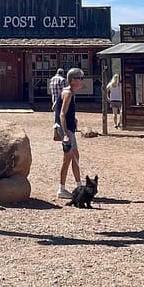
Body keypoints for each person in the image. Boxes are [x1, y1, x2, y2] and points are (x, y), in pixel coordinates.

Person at [57, 67, 85, 198]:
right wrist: (66, 133)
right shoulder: (68, 93)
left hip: (69, 128)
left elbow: (56, 108)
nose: (82, 81)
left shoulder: (68, 92)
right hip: (67, 130)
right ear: (73, 80)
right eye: (80, 78)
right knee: (67, 159)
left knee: (75, 156)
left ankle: (79, 186)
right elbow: (62, 114)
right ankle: (61, 189)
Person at [49, 67, 66, 132]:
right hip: (60, 99)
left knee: (56, 113)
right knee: (62, 113)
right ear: (62, 73)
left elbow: (51, 89)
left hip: (54, 97)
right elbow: (63, 91)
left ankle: (56, 126)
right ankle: (61, 126)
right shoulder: (62, 79)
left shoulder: (52, 79)